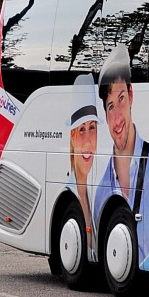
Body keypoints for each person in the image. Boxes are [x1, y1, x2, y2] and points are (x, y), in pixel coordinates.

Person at [91, 44, 149, 277]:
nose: (117, 118)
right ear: (104, 113)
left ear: (131, 95)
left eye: (121, 99)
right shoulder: (102, 190)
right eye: (110, 106)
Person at [67, 72, 100, 263]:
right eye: (81, 130)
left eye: (92, 128)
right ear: (72, 136)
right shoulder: (70, 192)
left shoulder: (93, 196)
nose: (88, 141)